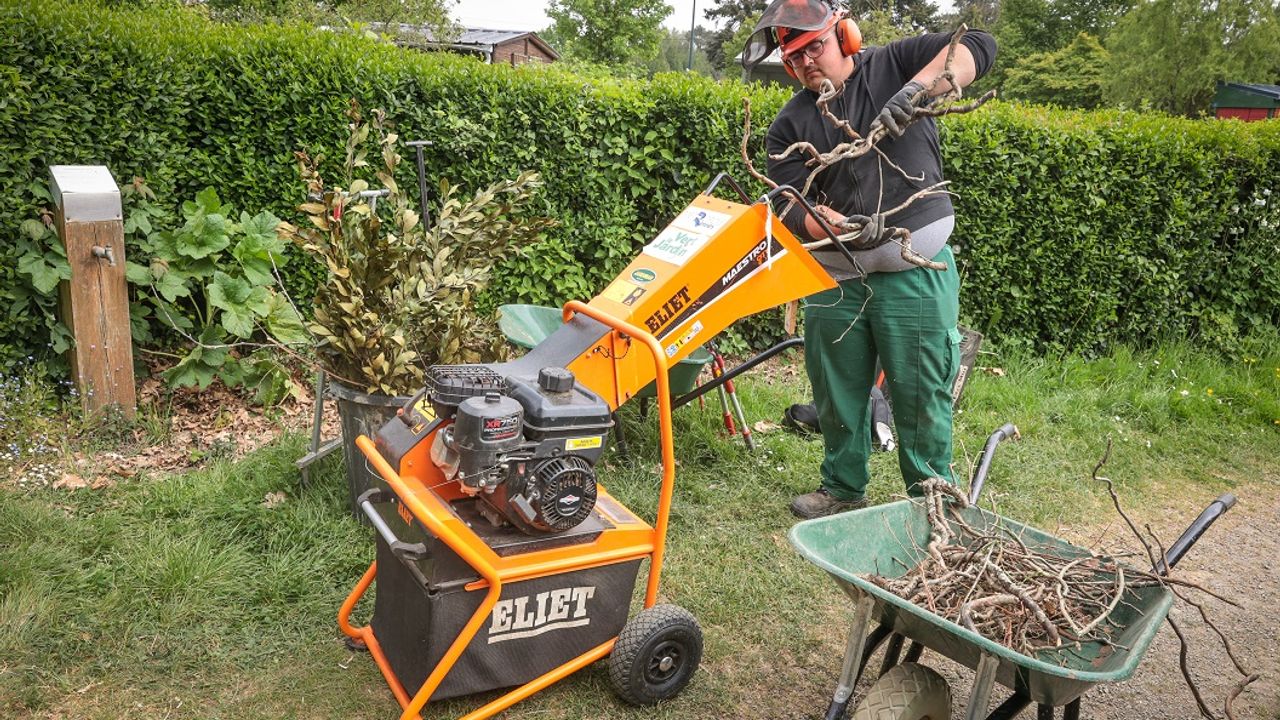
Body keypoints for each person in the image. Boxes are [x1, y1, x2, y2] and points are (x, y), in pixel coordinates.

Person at [741, 0, 997, 519]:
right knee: (837, 392)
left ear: (845, 36)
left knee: (921, 393)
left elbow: (976, 48)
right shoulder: (788, 126)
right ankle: (841, 488)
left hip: (914, 273)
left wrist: (918, 90)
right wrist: (838, 228)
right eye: (795, 56)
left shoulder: (895, 64)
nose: (809, 61)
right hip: (836, 278)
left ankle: (931, 502)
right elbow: (787, 207)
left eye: (816, 45)